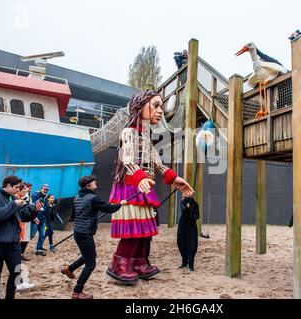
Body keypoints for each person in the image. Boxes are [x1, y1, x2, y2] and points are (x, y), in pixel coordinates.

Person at [106, 90, 194, 284]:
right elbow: (128, 160)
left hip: (143, 186)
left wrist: (174, 179)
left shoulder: (145, 137)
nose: (160, 110)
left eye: (161, 106)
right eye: (155, 105)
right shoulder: (128, 132)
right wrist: (140, 178)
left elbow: (159, 164)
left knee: (143, 230)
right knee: (132, 230)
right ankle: (119, 264)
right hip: (130, 187)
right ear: (140, 107)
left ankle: (137, 262)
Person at [61, 175, 124, 299]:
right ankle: (77, 292)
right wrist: (121, 204)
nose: (96, 184)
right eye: (94, 183)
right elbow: (109, 209)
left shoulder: (77, 197)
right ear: (88, 185)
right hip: (85, 233)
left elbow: (75, 215)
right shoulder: (93, 198)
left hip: (78, 232)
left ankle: (69, 269)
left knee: (88, 256)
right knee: (91, 264)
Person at [0, 175, 42, 299]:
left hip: (13, 244)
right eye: (16, 187)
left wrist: (34, 212)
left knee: (16, 272)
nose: (18, 190)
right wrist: (14, 204)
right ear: (8, 186)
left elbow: (23, 217)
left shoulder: (14, 198)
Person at [177, 195, 199, 271]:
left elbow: (197, 215)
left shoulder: (195, 204)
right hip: (183, 225)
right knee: (182, 243)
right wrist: (189, 203)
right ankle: (184, 262)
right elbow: (184, 210)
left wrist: (193, 217)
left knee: (192, 244)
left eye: (184, 194)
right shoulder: (182, 203)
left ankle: (191, 264)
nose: (182, 196)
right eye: (182, 194)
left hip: (192, 225)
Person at [32, 184, 49, 256]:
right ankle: (20, 249)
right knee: (31, 235)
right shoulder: (35, 195)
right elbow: (31, 206)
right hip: (36, 219)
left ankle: (38, 250)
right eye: (44, 189)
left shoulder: (45, 197)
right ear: (41, 189)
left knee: (42, 235)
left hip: (42, 220)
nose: (45, 190)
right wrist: (33, 217)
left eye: (47, 189)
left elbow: (45, 208)